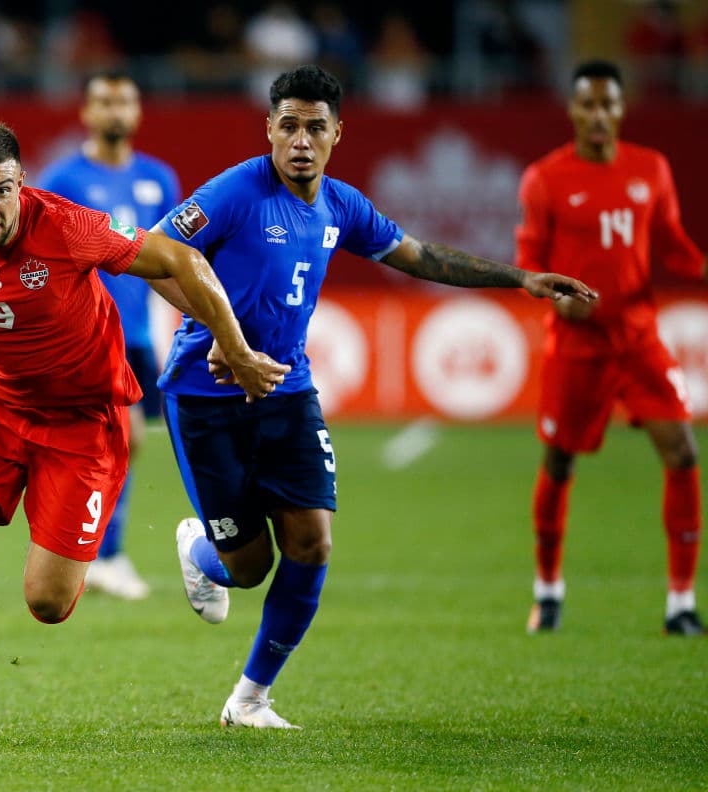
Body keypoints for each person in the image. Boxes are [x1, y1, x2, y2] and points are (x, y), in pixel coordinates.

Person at [149, 64, 597, 729]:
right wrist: (227, 337)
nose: (301, 140)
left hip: (289, 390)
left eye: (316, 128)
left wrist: (521, 278)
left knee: (313, 542)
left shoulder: (342, 206)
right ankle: (201, 551)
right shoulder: (240, 190)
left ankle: (250, 698)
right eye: (290, 125)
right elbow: (157, 250)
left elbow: (420, 257)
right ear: (269, 128)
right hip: (206, 394)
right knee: (247, 568)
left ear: (338, 134)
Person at [0, 121, 289, 741]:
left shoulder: (65, 224)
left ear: (20, 182)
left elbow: (181, 258)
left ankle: (197, 548)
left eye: (2, 189)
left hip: (85, 419)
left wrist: (235, 347)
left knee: (48, 603)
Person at [515, 59, 706, 637]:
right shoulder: (546, 178)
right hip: (576, 344)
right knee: (560, 461)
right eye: (588, 104)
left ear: (622, 109)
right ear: (573, 110)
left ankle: (680, 603)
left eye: (608, 105)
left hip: (639, 339)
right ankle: (548, 592)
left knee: (683, 453)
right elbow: (528, 263)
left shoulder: (651, 168)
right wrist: (558, 301)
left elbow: (672, 247)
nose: (598, 115)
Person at [35, 71, 181, 600]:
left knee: (123, 441)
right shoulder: (62, 180)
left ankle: (94, 550)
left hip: (137, 333)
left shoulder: (159, 179)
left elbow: (170, 262)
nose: (115, 110)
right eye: (104, 101)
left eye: (125, 100)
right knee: (127, 437)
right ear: (87, 113)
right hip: (87, 333)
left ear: (138, 112)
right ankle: (103, 555)